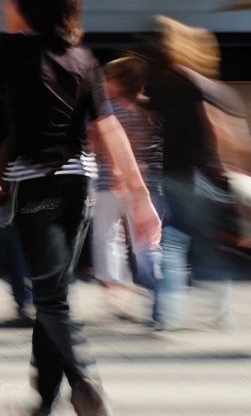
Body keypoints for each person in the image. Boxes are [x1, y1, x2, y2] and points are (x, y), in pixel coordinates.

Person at [0, 0, 159, 416]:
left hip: (36, 189)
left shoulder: (9, 52)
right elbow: (108, 130)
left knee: (49, 298)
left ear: (29, 5)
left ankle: (84, 379)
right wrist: (140, 195)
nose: (3, 3)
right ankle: (43, 401)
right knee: (55, 296)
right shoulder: (84, 59)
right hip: (79, 189)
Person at [143, 16, 251, 333]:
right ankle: (223, 313)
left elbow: (151, 125)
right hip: (204, 177)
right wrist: (243, 171)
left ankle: (166, 314)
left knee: (169, 245)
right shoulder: (205, 86)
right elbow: (226, 133)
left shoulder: (168, 84)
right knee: (207, 247)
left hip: (173, 175)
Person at [89, 56, 164, 323]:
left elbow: (95, 141)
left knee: (107, 237)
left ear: (118, 82)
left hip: (108, 181)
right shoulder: (147, 109)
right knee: (145, 237)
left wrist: (115, 166)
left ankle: (116, 291)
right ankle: (158, 283)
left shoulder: (105, 108)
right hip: (143, 183)